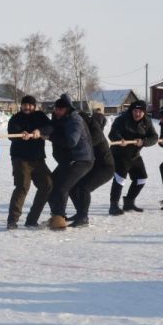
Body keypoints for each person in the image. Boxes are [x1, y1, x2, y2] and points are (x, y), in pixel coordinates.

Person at [5, 95, 53, 229]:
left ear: (34, 106)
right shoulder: (16, 118)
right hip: (20, 159)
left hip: (38, 159)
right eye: (25, 105)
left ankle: (32, 219)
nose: (28, 107)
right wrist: (21, 134)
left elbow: (50, 127)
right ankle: (12, 220)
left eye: (30, 105)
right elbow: (11, 134)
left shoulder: (40, 116)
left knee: (48, 184)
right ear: (21, 106)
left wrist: (39, 131)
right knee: (22, 186)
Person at [46, 94, 93, 231]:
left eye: (60, 109)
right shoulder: (61, 118)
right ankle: (61, 215)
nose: (57, 111)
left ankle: (60, 219)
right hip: (70, 159)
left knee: (62, 187)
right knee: (50, 184)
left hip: (82, 159)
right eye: (56, 109)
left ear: (66, 109)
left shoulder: (74, 120)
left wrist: (50, 137)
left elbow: (72, 141)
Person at [67, 102, 114, 227]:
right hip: (92, 166)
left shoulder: (95, 132)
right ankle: (80, 213)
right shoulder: (84, 130)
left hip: (105, 167)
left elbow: (86, 145)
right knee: (72, 187)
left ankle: (83, 217)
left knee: (84, 187)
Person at [107, 99, 158, 214]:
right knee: (120, 179)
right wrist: (120, 139)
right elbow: (112, 134)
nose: (137, 113)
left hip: (134, 155)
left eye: (140, 111)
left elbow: (154, 137)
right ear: (131, 111)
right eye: (135, 111)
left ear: (144, 112)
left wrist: (143, 142)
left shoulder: (147, 122)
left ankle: (129, 202)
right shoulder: (121, 119)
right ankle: (113, 205)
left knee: (141, 178)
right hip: (119, 154)